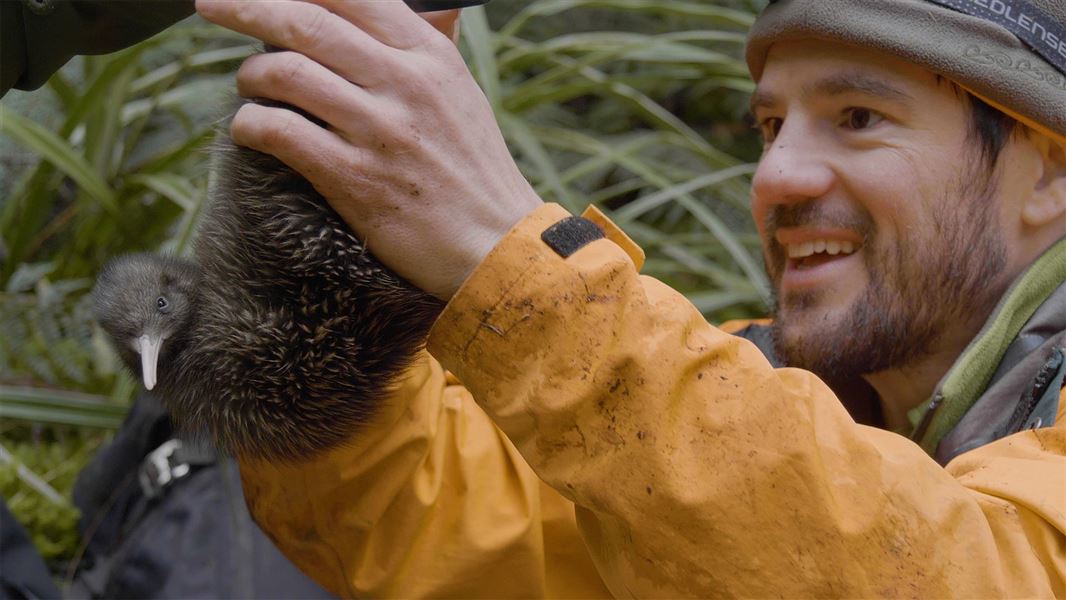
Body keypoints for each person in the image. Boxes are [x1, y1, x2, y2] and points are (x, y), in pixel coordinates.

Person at [186, 0, 1066, 596]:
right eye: (770, 125)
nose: (777, 174)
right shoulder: (759, 390)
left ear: (1050, 175)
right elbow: (422, 522)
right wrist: (328, 181)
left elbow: (963, 571)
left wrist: (507, 255)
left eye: (858, 118)